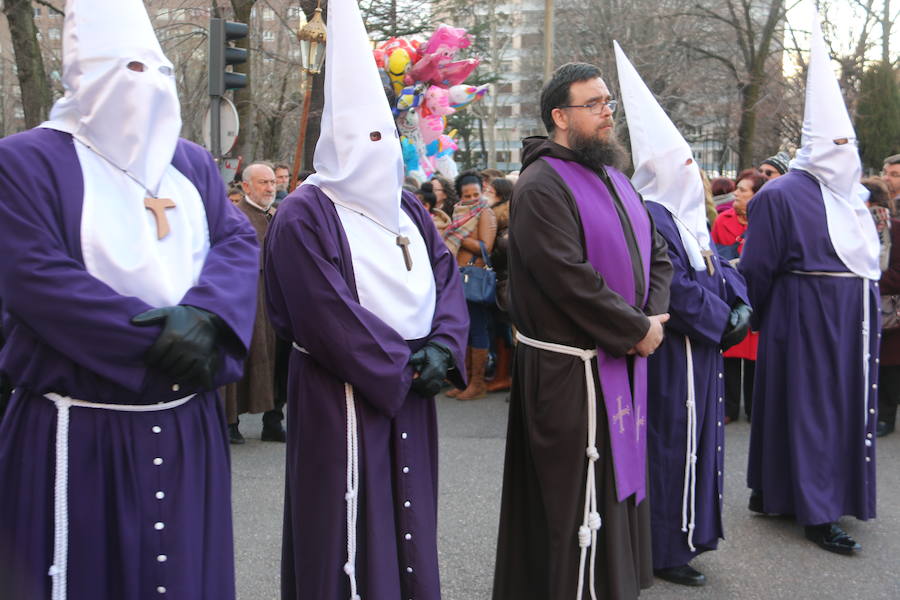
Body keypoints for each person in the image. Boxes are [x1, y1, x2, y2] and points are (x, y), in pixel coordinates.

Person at [0, 1, 259, 597]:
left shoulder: (189, 163)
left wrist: (209, 318)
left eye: (160, 70)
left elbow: (236, 239)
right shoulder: (25, 162)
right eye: (129, 70)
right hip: (79, 430)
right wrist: (166, 341)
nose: (150, 86)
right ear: (82, 79)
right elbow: (37, 279)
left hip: (188, 423)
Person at [263, 1, 468, 598]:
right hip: (343, 390)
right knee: (343, 521)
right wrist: (400, 366)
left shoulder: (406, 208)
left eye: (385, 136)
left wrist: (443, 348)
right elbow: (322, 313)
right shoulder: (306, 212)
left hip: (409, 381)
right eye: (362, 137)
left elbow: (443, 276)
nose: (375, 148)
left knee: (409, 516)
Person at [493, 62, 673, 600]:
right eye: (593, 104)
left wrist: (650, 318)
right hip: (568, 369)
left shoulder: (615, 177)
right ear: (560, 116)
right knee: (571, 502)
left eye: (607, 103)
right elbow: (566, 276)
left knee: (615, 492)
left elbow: (656, 255)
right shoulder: (542, 184)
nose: (606, 113)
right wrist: (634, 327)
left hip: (618, 356)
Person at [740, 16, 880, 555]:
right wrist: (761, 318)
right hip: (803, 316)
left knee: (835, 406)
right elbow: (757, 269)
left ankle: (781, 490)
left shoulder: (854, 200)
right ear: (817, 145)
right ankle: (817, 511)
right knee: (810, 408)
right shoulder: (781, 195)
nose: (846, 154)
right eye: (836, 144)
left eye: (852, 144)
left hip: (852, 319)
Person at [616, 42, 750, 587]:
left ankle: (690, 536)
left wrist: (740, 304)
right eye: (683, 163)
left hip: (701, 354)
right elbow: (675, 288)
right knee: (670, 445)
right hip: (673, 355)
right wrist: (724, 322)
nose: (692, 171)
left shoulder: (690, 217)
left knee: (698, 444)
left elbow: (719, 268)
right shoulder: (650, 215)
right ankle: (664, 548)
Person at [222, 162, 285, 444]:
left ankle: (273, 421)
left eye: (272, 182)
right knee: (244, 357)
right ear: (246, 186)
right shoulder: (235, 217)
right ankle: (230, 421)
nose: (270, 188)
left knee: (281, 361)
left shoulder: (279, 216)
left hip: (277, 298)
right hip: (247, 298)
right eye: (263, 183)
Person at [713, 170, 765, 423]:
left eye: (743, 190)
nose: (736, 193)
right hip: (732, 292)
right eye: (737, 188)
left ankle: (755, 408)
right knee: (731, 353)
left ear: (756, 195)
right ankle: (729, 408)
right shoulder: (723, 220)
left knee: (755, 356)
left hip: (756, 292)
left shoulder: (765, 220)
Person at [443, 171, 497, 400]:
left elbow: (487, 247)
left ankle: (477, 384)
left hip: (473, 278)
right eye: (467, 195)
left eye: (476, 193)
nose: (473, 198)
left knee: (477, 329)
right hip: (457, 277)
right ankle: (464, 381)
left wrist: (456, 236)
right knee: (462, 330)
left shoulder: (484, 212)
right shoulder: (458, 212)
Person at [865, 177, 900, 438]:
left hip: (890, 306)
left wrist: (870, 278)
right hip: (861, 304)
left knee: (888, 363)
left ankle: (885, 416)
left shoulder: (895, 229)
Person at [485, 177, 514, 393]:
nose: (486, 193)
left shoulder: (504, 219)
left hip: (506, 282)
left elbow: (501, 253)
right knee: (499, 330)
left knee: (505, 331)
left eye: (490, 190)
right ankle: (501, 374)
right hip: (502, 281)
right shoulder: (495, 217)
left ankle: (505, 376)